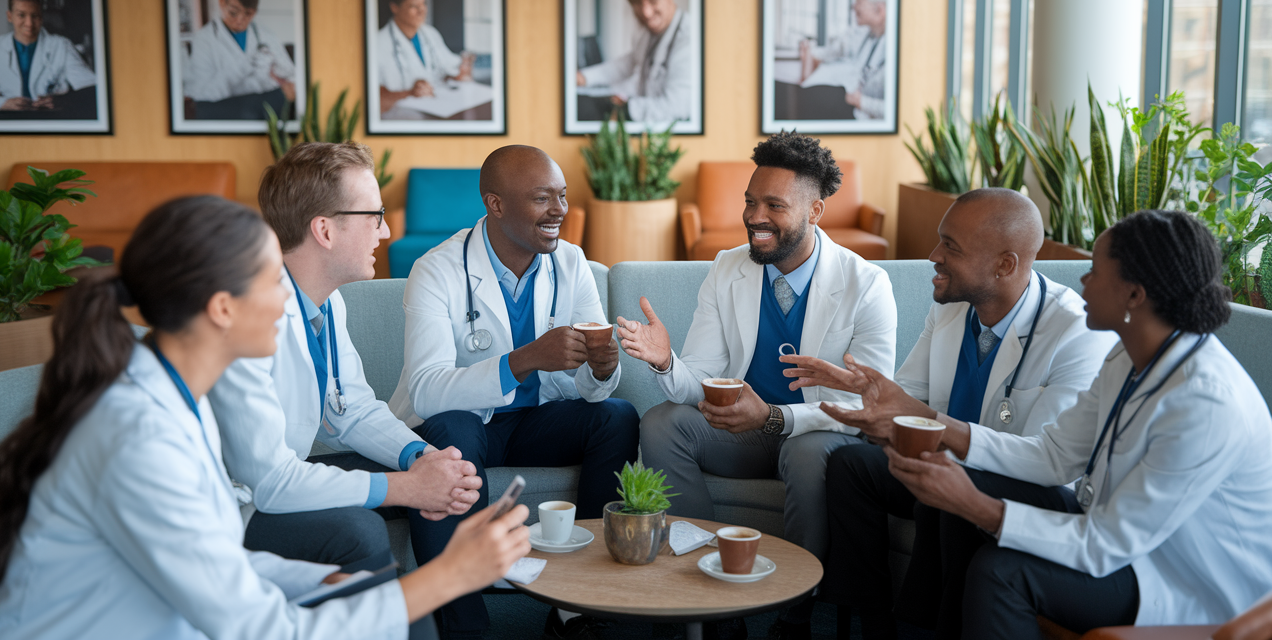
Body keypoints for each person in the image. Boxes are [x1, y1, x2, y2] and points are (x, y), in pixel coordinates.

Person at [0, 195, 531, 640]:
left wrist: (323, 582)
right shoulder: (140, 438)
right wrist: (449, 575)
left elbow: (219, 560)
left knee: (374, 605)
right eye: (273, 281)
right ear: (222, 308)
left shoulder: (174, 396)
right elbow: (260, 627)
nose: (286, 302)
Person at [869, 210, 1272, 638]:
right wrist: (939, 433)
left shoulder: (1203, 401)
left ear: (1134, 295)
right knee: (966, 491)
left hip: (1182, 579)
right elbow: (1054, 455)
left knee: (1001, 570)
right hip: (1123, 535)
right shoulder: (1129, 356)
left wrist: (975, 505)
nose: (1083, 281)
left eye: (1095, 272)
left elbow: (1107, 544)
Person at [782, 188, 1118, 638]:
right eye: (941, 240)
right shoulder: (950, 307)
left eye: (951, 247)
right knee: (851, 464)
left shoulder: (1076, 330)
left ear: (1005, 265)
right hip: (946, 457)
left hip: (1017, 481)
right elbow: (911, 399)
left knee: (949, 495)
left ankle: (922, 627)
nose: (933, 255)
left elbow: (1044, 462)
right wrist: (869, 397)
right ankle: (869, 621)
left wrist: (926, 427)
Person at [618, 131, 898, 640]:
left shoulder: (866, 284)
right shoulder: (728, 268)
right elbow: (700, 380)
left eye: (774, 205)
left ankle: (796, 612)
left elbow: (865, 402)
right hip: (744, 436)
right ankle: (706, 597)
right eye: (750, 201)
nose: (754, 216)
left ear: (815, 211)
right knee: (662, 422)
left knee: (809, 454)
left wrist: (775, 416)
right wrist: (666, 362)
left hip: (816, 435)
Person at [388, 145, 640, 640]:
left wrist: (602, 368)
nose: (560, 211)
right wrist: (525, 358)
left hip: (533, 422)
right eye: (543, 199)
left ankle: (577, 609)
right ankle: (465, 627)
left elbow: (587, 390)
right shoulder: (437, 269)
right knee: (451, 436)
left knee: (616, 415)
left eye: (563, 197)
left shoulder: (571, 263)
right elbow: (425, 390)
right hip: (463, 423)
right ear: (496, 204)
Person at [209, 142, 481, 580]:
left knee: (436, 471)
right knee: (359, 529)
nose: (386, 231)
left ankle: (458, 623)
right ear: (325, 230)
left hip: (275, 482)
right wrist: (406, 488)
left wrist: (422, 459)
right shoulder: (246, 316)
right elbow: (270, 484)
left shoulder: (328, 303)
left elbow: (349, 410)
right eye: (374, 215)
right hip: (230, 505)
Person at [576, 0, 692, 124]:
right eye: (637, 3)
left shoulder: (688, 38)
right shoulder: (648, 34)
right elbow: (629, 63)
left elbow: (676, 107)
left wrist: (627, 107)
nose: (646, 12)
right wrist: (583, 78)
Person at [182, 0, 297, 116]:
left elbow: (292, 78)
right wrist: (243, 67)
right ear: (222, 1)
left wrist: (282, 79)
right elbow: (201, 94)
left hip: (265, 109)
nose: (240, 20)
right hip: (228, 109)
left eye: (248, 14)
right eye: (233, 13)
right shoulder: (203, 39)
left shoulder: (267, 36)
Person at [377, 0, 473, 114]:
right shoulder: (378, 43)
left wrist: (457, 74)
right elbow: (375, 98)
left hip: (438, 111)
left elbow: (446, 69)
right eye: (414, 6)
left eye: (424, 3)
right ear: (394, 8)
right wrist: (409, 93)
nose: (422, 10)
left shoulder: (430, 34)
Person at [797, 0, 887, 120]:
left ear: (879, 9)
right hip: (849, 107)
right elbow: (835, 51)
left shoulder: (896, 49)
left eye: (859, 3)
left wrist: (862, 102)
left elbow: (899, 111)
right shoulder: (867, 36)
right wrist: (809, 53)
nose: (854, 8)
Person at [0, 0, 96, 111]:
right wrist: (2, 103)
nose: (29, 23)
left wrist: (63, 100)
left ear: (41, 17)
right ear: (10, 16)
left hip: (50, 118)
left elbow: (91, 88)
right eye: (21, 15)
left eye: (34, 16)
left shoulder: (61, 45)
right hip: (11, 120)